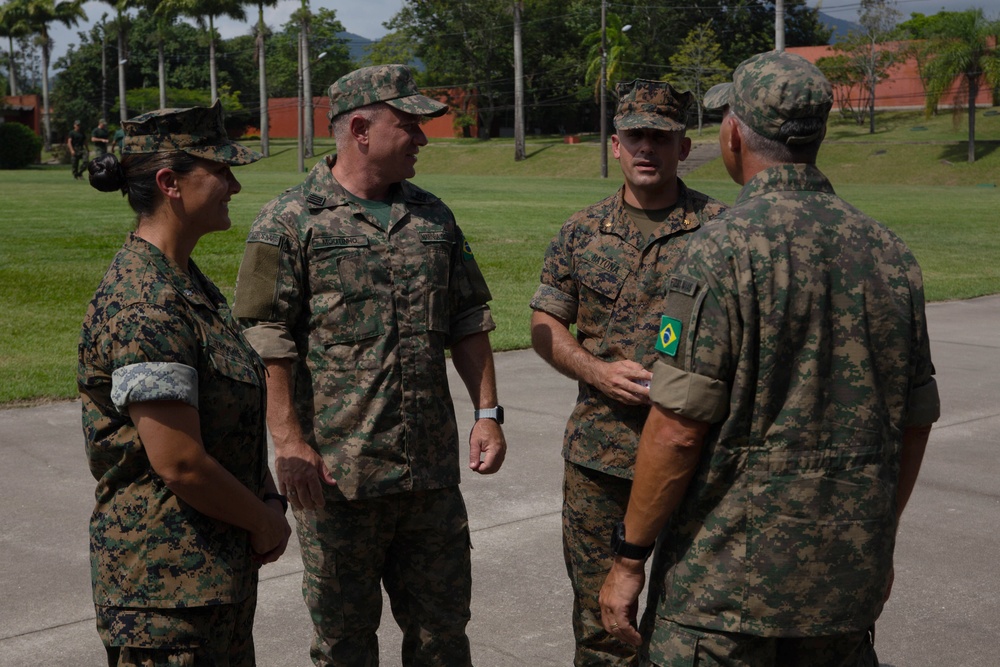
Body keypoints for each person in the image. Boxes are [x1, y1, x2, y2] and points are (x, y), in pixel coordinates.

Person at [599, 50, 941, 666]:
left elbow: (677, 429)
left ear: (733, 134)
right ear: (820, 133)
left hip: (725, 598)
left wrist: (629, 558)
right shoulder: (890, 253)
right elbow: (914, 420)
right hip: (843, 585)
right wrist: (874, 542)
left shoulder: (720, 250)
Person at [232, 64, 508, 666]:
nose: (423, 139)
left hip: (428, 476)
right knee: (344, 643)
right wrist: (287, 439)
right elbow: (264, 335)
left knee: (442, 636)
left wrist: (488, 412)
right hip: (337, 479)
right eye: (408, 125)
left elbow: (468, 318)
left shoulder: (434, 218)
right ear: (360, 127)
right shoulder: (288, 220)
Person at [78, 101, 292, 667]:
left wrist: (264, 490)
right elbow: (179, 462)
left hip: (208, 586)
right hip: (165, 603)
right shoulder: (145, 301)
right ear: (170, 183)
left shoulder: (186, 283)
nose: (235, 185)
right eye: (220, 171)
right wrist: (265, 519)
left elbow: (228, 419)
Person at [529, 80, 726, 666]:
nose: (647, 148)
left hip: (700, 461)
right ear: (615, 145)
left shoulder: (723, 232)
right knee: (601, 622)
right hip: (601, 460)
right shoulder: (581, 230)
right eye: (635, 135)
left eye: (660, 137)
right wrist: (595, 369)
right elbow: (546, 319)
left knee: (694, 621)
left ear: (683, 147)